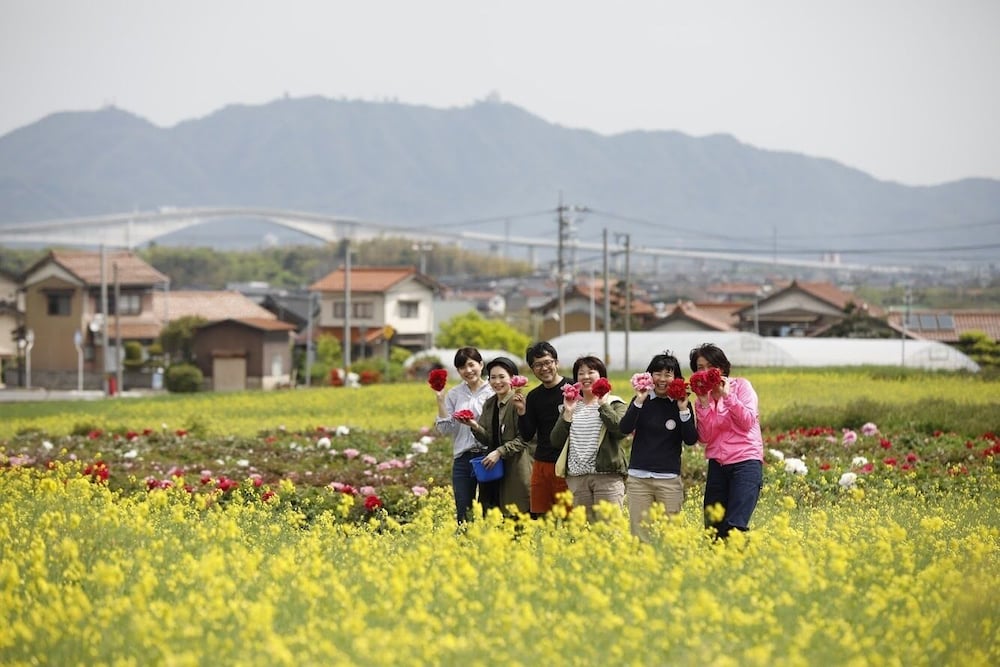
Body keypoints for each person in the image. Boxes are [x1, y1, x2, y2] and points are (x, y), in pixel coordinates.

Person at [620, 352, 699, 541]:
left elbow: (690, 439)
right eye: (658, 373)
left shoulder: (682, 404)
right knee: (640, 535)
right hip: (639, 479)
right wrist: (639, 400)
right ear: (650, 376)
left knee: (670, 535)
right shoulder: (641, 400)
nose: (662, 379)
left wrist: (683, 410)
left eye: (668, 374)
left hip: (668, 479)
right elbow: (624, 428)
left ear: (676, 378)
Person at [689, 343, 764, 539]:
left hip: (746, 462)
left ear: (721, 368)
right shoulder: (702, 398)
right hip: (718, 465)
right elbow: (705, 437)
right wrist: (704, 403)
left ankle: (738, 557)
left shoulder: (741, 386)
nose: (705, 371)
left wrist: (727, 396)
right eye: (700, 368)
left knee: (734, 526)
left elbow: (747, 421)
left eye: (710, 366)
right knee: (713, 529)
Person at [550, 355, 629, 521]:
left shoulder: (614, 403)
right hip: (577, 478)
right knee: (583, 530)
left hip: (607, 476)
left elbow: (621, 431)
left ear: (601, 376)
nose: (585, 377)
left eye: (591, 372)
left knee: (610, 528)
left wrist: (603, 405)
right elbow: (555, 441)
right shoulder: (570, 406)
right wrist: (568, 412)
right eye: (581, 373)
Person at [433, 347, 494, 523]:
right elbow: (445, 429)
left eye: (471, 365)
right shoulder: (454, 394)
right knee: (463, 511)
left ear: (481, 364)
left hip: (487, 457)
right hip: (463, 459)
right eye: (462, 367)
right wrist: (440, 400)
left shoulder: (493, 391)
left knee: (489, 510)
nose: (468, 370)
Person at [465, 356, 532, 515]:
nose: (497, 382)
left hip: (514, 468)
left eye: (502, 377)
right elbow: (487, 439)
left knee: (515, 515)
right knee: (492, 515)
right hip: (492, 470)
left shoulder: (519, 402)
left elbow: (524, 438)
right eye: (493, 377)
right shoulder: (489, 404)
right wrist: (474, 426)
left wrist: (499, 452)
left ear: (512, 379)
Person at [516, 341, 571, 518]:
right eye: (538, 365)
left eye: (548, 362)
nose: (544, 368)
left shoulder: (573, 388)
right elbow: (527, 434)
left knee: (570, 518)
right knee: (540, 517)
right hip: (542, 463)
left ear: (556, 363)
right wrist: (522, 412)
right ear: (532, 369)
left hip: (569, 463)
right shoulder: (534, 397)